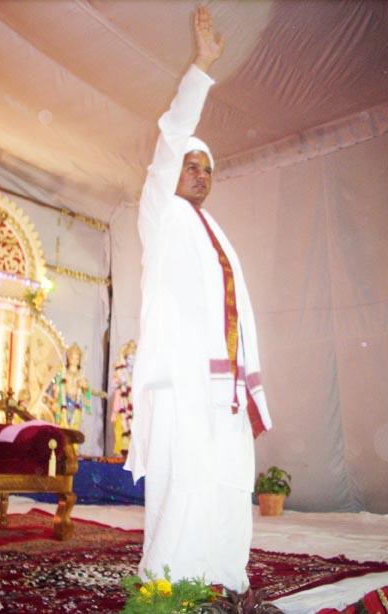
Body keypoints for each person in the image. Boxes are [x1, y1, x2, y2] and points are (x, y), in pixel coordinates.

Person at [125, 6, 271, 593]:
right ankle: (168, 584)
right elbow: (171, 136)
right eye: (191, 165)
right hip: (182, 381)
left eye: (208, 168)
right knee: (184, 481)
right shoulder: (161, 214)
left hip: (221, 385)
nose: (201, 174)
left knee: (229, 480)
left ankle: (224, 577)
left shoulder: (215, 232)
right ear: (172, 171)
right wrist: (202, 68)